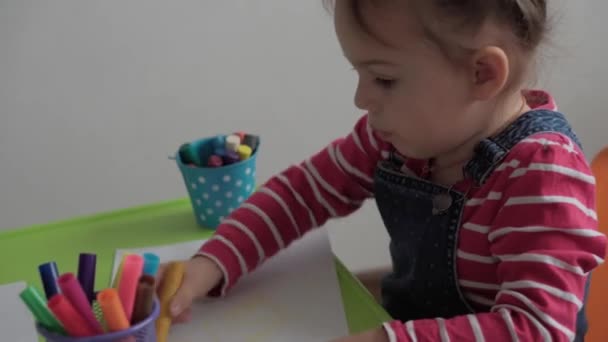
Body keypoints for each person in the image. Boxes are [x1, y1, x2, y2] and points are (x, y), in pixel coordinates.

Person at [156, 1, 607, 341]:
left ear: (482, 74)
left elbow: (538, 329)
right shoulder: (391, 140)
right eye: (360, 73)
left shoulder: (543, 176)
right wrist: (215, 260)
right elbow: (301, 194)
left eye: (383, 79)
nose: (361, 99)